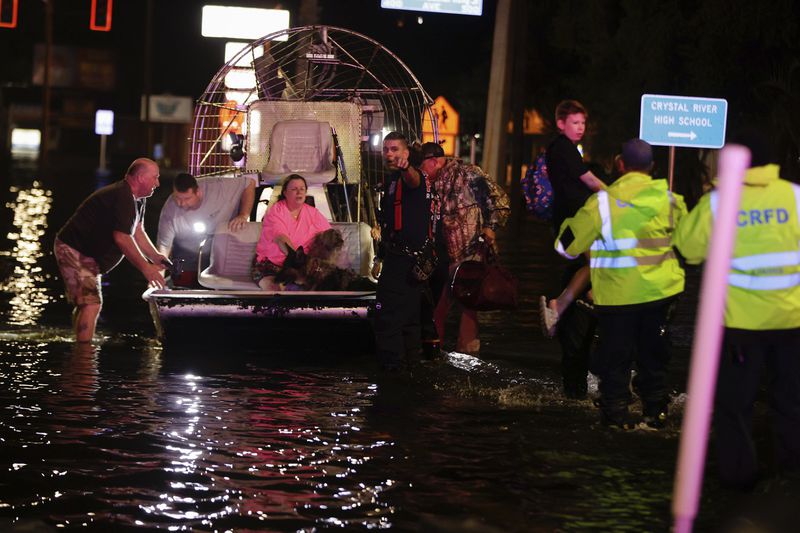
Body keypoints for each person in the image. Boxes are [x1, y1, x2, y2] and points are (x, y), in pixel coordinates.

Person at [673, 130, 800, 490]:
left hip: (740, 324)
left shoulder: (720, 202)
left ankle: (740, 479)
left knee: (735, 405)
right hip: (792, 320)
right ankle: (791, 477)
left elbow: (687, 247)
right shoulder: (795, 197)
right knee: (791, 401)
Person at [555, 139, 686, 428]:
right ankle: (656, 414)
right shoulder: (669, 200)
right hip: (660, 295)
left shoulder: (602, 203)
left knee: (615, 359)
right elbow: (691, 245)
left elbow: (566, 247)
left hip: (617, 297)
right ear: (652, 167)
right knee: (654, 356)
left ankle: (615, 419)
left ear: (621, 165)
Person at [54, 158, 167, 343]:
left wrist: (155, 256)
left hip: (89, 256)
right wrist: (146, 268)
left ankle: (79, 347)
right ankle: (83, 358)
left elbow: (137, 231)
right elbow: (122, 238)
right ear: (140, 178)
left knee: (88, 304)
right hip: (75, 250)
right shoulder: (122, 196)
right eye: (155, 178)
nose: (158, 183)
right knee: (91, 305)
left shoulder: (137, 199)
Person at [417, 142, 510, 355]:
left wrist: (490, 227)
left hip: (471, 255)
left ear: (433, 161)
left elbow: (501, 202)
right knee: (436, 307)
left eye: (422, 167)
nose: (421, 173)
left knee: (469, 310)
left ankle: (468, 357)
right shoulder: (427, 185)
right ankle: (433, 356)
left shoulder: (469, 174)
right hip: (441, 257)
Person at [540, 99, 606, 398]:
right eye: (575, 123)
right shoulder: (562, 147)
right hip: (573, 219)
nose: (580, 128)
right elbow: (588, 179)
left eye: (583, 123)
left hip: (575, 217)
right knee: (595, 264)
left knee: (593, 265)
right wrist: (616, 195)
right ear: (561, 123)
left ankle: (580, 298)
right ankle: (564, 303)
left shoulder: (565, 149)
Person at [372, 132, 431, 371]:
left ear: (406, 154)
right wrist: (380, 256)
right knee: (409, 319)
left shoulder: (411, 178)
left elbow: (413, 180)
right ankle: (411, 367)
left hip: (405, 262)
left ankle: (393, 370)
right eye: (386, 149)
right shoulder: (392, 180)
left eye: (395, 149)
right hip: (403, 259)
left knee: (386, 316)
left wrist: (407, 168)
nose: (389, 154)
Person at [157, 172, 257, 286]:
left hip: (221, 250)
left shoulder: (218, 188)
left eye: (187, 198)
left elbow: (249, 183)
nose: (182, 203)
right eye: (177, 198)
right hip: (187, 255)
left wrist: (243, 215)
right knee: (182, 280)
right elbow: (164, 246)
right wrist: (158, 277)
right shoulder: (170, 210)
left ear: (198, 193)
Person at [252, 174, 331, 290]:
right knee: (274, 289)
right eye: (294, 189)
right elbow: (281, 239)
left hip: (302, 267)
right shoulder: (276, 211)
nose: (299, 192)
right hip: (270, 266)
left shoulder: (313, 213)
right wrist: (299, 264)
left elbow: (330, 236)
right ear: (285, 193)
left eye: (302, 189)